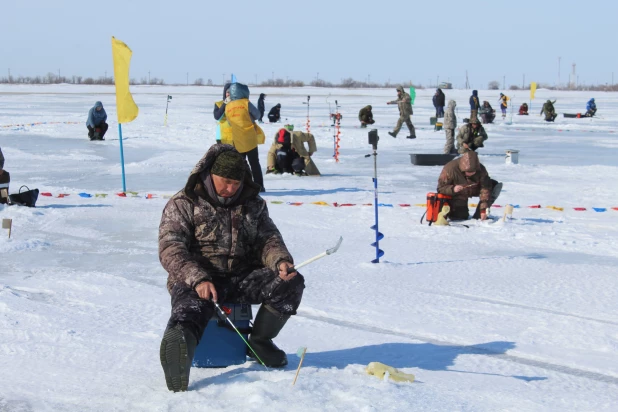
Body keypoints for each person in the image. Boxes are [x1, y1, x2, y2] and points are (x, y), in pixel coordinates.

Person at [158, 145, 305, 392]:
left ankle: (259, 342)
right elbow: (170, 248)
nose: (231, 188)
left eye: (236, 183)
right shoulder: (183, 203)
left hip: (242, 276)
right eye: (225, 182)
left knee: (291, 282)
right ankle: (179, 350)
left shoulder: (253, 203)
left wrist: (280, 261)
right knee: (189, 312)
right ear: (209, 175)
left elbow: (268, 239)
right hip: (199, 280)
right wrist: (197, 278)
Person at [224, 83, 266, 192]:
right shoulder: (246, 103)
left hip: (237, 139)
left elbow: (229, 122)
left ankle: (240, 187)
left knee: (240, 165)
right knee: (254, 163)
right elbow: (257, 115)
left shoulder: (228, 106)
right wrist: (249, 118)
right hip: (249, 138)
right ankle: (259, 186)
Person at [437, 151, 502, 221]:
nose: (470, 174)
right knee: (460, 217)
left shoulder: (481, 169)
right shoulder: (450, 169)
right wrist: (453, 189)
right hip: (458, 194)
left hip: (474, 189)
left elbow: (485, 189)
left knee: (493, 185)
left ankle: (479, 215)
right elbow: (440, 188)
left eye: (472, 172)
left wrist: (483, 210)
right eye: (467, 172)